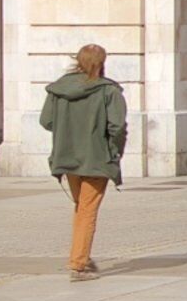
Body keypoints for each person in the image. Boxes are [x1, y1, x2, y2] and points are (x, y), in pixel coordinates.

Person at [42, 43, 128, 278]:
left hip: (68, 157)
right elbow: (117, 126)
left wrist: (68, 130)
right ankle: (78, 264)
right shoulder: (108, 91)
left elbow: (46, 121)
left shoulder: (59, 89)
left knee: (82, 208)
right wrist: (114, 151)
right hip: (97, 158)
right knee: (87, 211)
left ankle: (82, 256)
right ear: (102, 63)